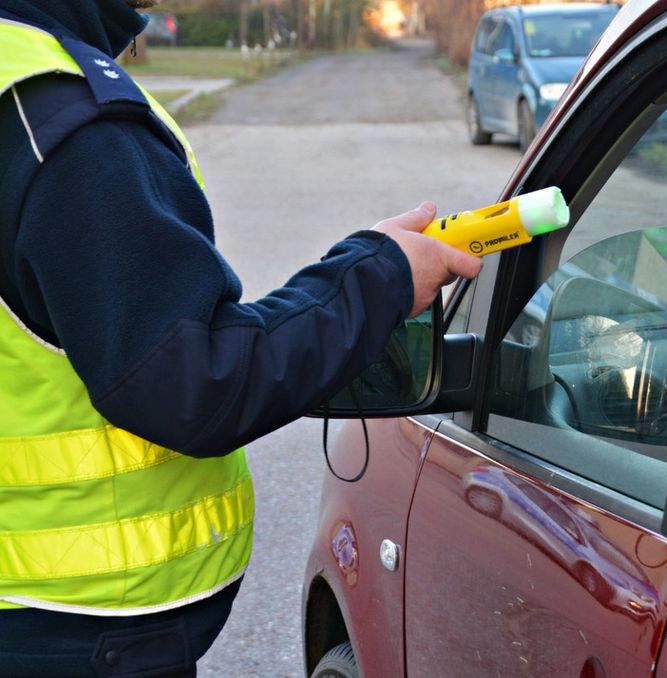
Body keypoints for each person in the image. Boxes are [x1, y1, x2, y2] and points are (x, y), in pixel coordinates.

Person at [0, 0, 481, 675]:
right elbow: (189, 382)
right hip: (70, 628)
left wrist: (364, 263)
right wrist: (380, 282)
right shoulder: (67, 126)